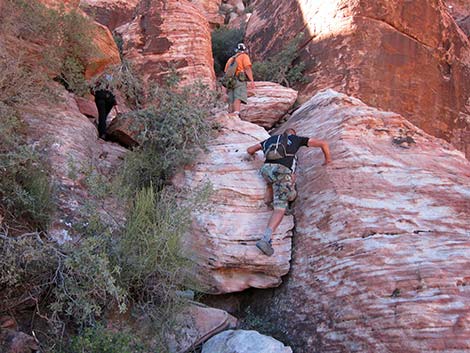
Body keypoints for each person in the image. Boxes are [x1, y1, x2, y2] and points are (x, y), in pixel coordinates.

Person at [246, 128, 332, 256]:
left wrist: (254, 156)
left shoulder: (271, 140)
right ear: (293, 134)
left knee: (275, 182)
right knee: (280, 207)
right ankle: (266, 239)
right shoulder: (296, 139)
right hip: (282, 171)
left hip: (266, 170)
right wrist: (328, 160)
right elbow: (323, 143)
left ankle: (270, 198)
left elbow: (250, 150)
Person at [224, 43, 255, 116]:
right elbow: (247, 68)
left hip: (230, 80)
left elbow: (226, 71)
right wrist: (252, 80)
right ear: (244, 50)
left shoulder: (231, 59)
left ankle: (230, 113)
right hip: (239, 79)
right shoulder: (244, 56)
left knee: (231, 97)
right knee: (238, 96)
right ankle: (236, 113)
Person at [91, 74, 118, 139]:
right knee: (103, 116)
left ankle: (102, 133)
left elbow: (92, 90)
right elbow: (113, 96)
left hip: (101, 98)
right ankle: (102, 131)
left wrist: (95, 94)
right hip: (109, 99)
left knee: (102, 116)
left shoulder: (100, 80)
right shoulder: (111, 80)